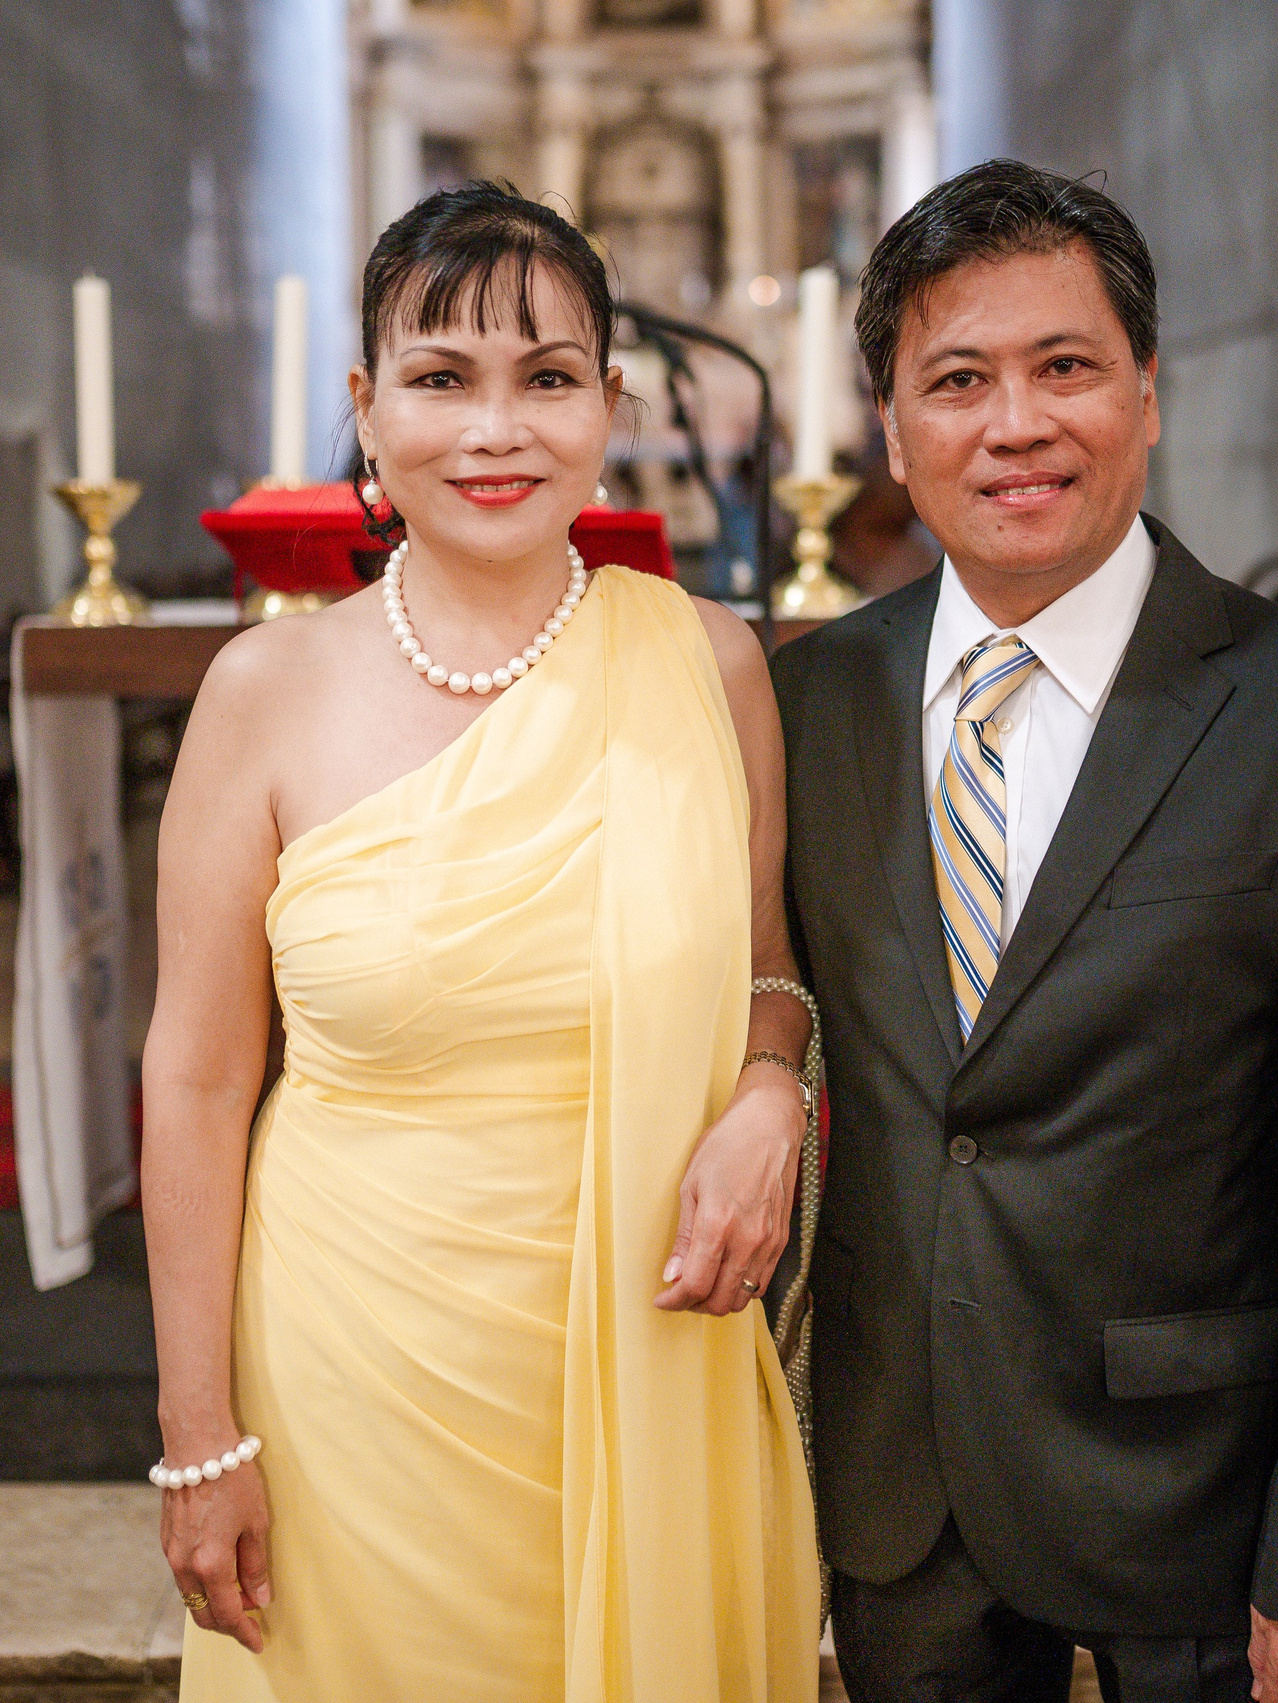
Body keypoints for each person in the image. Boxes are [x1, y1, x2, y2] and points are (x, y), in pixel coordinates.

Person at [772, 159, 1278, 1703]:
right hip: (903, 1489)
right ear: (890, 430)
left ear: (1146, 393)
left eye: (1064, 367)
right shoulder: (805, 708)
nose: (1014, 424)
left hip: (1199, 1501)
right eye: (957, 380)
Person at [141, 183, 819, 1702]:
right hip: (353, 1368)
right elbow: (192, 1080)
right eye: (443, 380)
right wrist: (200, 1434)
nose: (496, 430)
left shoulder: (711, 665)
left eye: (549, 379)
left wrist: (773, 1091)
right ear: (368, 413)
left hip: (650, 1346)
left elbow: (771, 975)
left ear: (609, 407)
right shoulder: (264, 692)